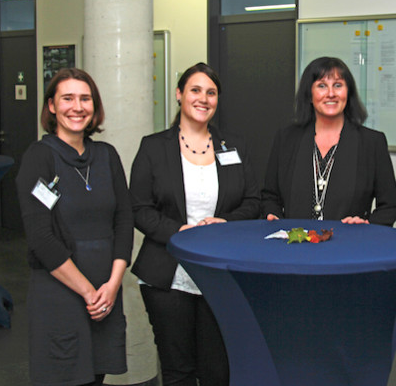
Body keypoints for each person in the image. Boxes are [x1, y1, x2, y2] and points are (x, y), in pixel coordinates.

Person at [129, 62, 260, 386]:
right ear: (179, 95)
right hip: (167, 275)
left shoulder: (234, 146)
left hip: (220, 274)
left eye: (211, 92)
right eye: (195, 90)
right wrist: (180, 233)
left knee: (219, 370)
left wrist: (224, 222)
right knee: (178, 370)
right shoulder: (154, 147)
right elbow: (139, 208)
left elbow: (253, 202)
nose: (204, 99)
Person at [16, 68, 133, 386]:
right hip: (61, 295)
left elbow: (124, 220)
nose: (77, 107)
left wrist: (111, 286)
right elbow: (41, 237)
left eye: (85, 98)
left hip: (106, 294)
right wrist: (88, 293)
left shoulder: (106, 156)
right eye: (67, 98)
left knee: (97, 377)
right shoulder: (39, 158)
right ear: (52, 106)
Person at [262, 56, 396, 225]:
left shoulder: (372, 142)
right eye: (321, 86)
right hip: (295, 245)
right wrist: (274, 217)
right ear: (309, 94)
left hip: (349, 245)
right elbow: (270, 196)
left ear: (348, 92)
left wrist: (367, 226)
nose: (331, 93)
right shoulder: (286, 139)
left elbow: (390, 205)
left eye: (338, 85)